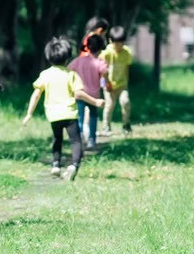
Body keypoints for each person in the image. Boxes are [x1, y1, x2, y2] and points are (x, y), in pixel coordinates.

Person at [23, 37, 103, 181]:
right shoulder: (71, 74)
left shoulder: (45, 74)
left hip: (53, 115)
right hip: (70, 114)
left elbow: (36, 94)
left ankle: (56, 165)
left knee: (57, 139)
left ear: (48, 57)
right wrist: (95, 101)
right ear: (67, 57)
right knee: (76, 141)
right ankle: (74, 165)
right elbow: (78, 93)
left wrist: (29, 113)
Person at [70, 34, 109, 152]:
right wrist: (104, 87)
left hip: (80, 94)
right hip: (94, 96)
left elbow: (69, 69)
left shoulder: (78, 60)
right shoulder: (100, 63)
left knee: (80, 116)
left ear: (88, 47)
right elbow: (103, 78)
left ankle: (80, 136)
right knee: (93, 116)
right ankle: (92, 140)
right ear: (101, 48)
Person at [102, 25, 134, 135]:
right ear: (111, 41)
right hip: (109, 85)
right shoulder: (107, 53)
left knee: (125, 102)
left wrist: (126, 83)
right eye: (116, 43)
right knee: (109, 105)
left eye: (121, 43)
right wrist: (106, 83)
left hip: (122, 84)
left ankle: (126, 124)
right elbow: (102, 69)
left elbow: (127, 69)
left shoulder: (127, 52)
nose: (118, 45)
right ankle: (106, 126)